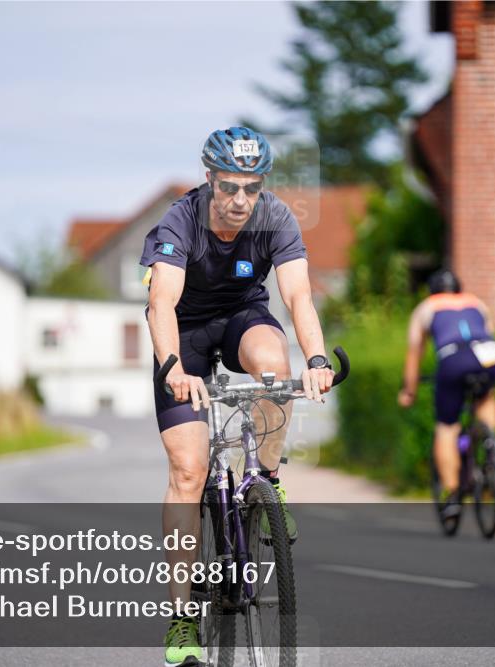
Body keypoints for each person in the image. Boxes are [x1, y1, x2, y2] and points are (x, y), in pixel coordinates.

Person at [140, 126, 335, 667]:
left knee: (276, 367)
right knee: (188, 471)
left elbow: (298, 295)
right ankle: (182, 619)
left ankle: (266, 481)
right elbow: (161, 304)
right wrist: (175, 370)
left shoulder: (275, 217)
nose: (240, 200)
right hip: (183, 335)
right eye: (229, 187)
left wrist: (317, 360)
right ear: (209, 179)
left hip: (242, 320)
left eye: (252, 187)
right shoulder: (180, 221)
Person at [398, 268, 495, 519]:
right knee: (487, 395)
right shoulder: (476, 302)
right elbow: (489, 331)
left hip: (453, 358)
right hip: (489, 353)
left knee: (446, 427)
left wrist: (409, 391)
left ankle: (453, 495)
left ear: (432, 290)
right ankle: (490, 443)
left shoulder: (426, 307)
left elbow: (414, 354)